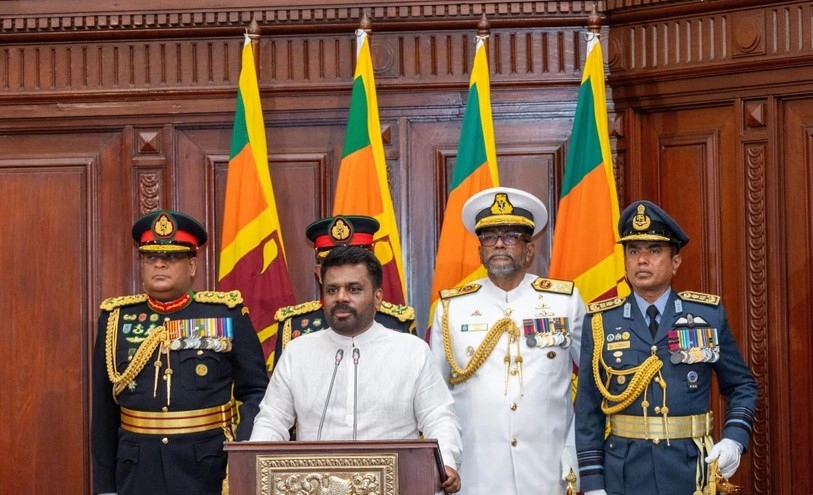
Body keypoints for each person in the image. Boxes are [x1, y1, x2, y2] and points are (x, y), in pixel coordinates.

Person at [575, 200, 758, 495]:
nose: (642, 260)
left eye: (654, 251)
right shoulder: (601, 321)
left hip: (689, 472)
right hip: (623, 474)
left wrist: (734, 439)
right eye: (633, 251)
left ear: (676, 262)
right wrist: (593, 483)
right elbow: (587, 410)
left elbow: (742, 386)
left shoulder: (707, 315)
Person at [251, 245, 462, 494]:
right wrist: (256, 466)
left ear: (378, 297)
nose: (341, 297)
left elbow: (439, 417)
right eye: (332, 289)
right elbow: (272, 419)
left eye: (354, 289)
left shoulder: (411, 351)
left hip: (397, 484)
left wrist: (446, 462)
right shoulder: (298, 352)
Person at [91, 209, 269, 495]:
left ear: (192, 266)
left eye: (171, 257)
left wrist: (241, 453)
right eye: (150, 258)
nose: (159, 265)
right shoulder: (116, 319)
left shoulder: (226, 315)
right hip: (137, 470)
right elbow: (103, 409)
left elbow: (257, 392)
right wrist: (105, 487)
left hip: (208, 467)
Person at [429, 186, 586, 495]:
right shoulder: (451, 308)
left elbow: (595, 385)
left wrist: (573, 450)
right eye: (489, 237)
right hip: (474, 473)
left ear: (529, 250)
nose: (499, 244)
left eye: (511, 236)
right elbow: (435, 398)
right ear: (480, 250)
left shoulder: (564, 301)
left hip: (547, 472)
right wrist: (444, 460)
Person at [273, 214, 416, 368]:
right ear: (319, 273)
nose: (342, 297)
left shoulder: (397, 323)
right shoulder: (294, 325)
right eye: (332, 265)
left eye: (354, 288)